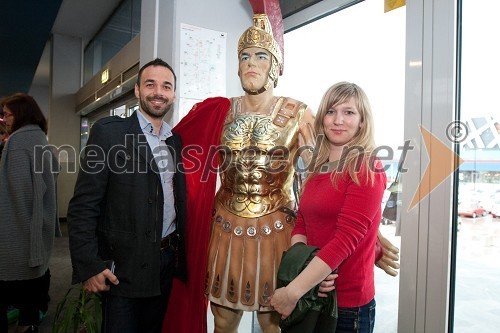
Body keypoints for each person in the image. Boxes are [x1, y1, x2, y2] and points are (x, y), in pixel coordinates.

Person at [164, 1, 399, 332]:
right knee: (223, 321)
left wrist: (373, 234)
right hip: (225, 225)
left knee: (274, 322)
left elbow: (326, 177)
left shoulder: (298, 113)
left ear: (274, 66)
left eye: (260, 56)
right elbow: (180, 161)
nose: (251, 63)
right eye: (245, 56)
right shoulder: (219, 112)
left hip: (276, 228)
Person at [67, 58, 187, 333]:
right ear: (137, 90)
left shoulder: (174, 140)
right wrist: (89, 265)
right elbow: (84, 206)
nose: (158, 92)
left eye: (166, 86)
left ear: (173, 95)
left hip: (165, 262)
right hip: (123, 267)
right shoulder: (110, 133)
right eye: (150, 84)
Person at [270, 82, 386, 333]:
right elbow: (302, 222)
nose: (338, 120)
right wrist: (306, 269)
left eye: (349, 112)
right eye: (331, 111)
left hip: (347, 307)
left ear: (362, 121)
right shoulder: (317, 167)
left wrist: (292, 291)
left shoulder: (366, 168)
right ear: (322, 118)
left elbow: (346, 239)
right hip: (312, 294)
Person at [0, 93, 59, 333]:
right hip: (35, 230)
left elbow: (16, 194)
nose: (3, 119)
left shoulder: (17, 143)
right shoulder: (40, 139)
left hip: (15, 233)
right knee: (31, 296)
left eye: (6, 114)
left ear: (20, 114)